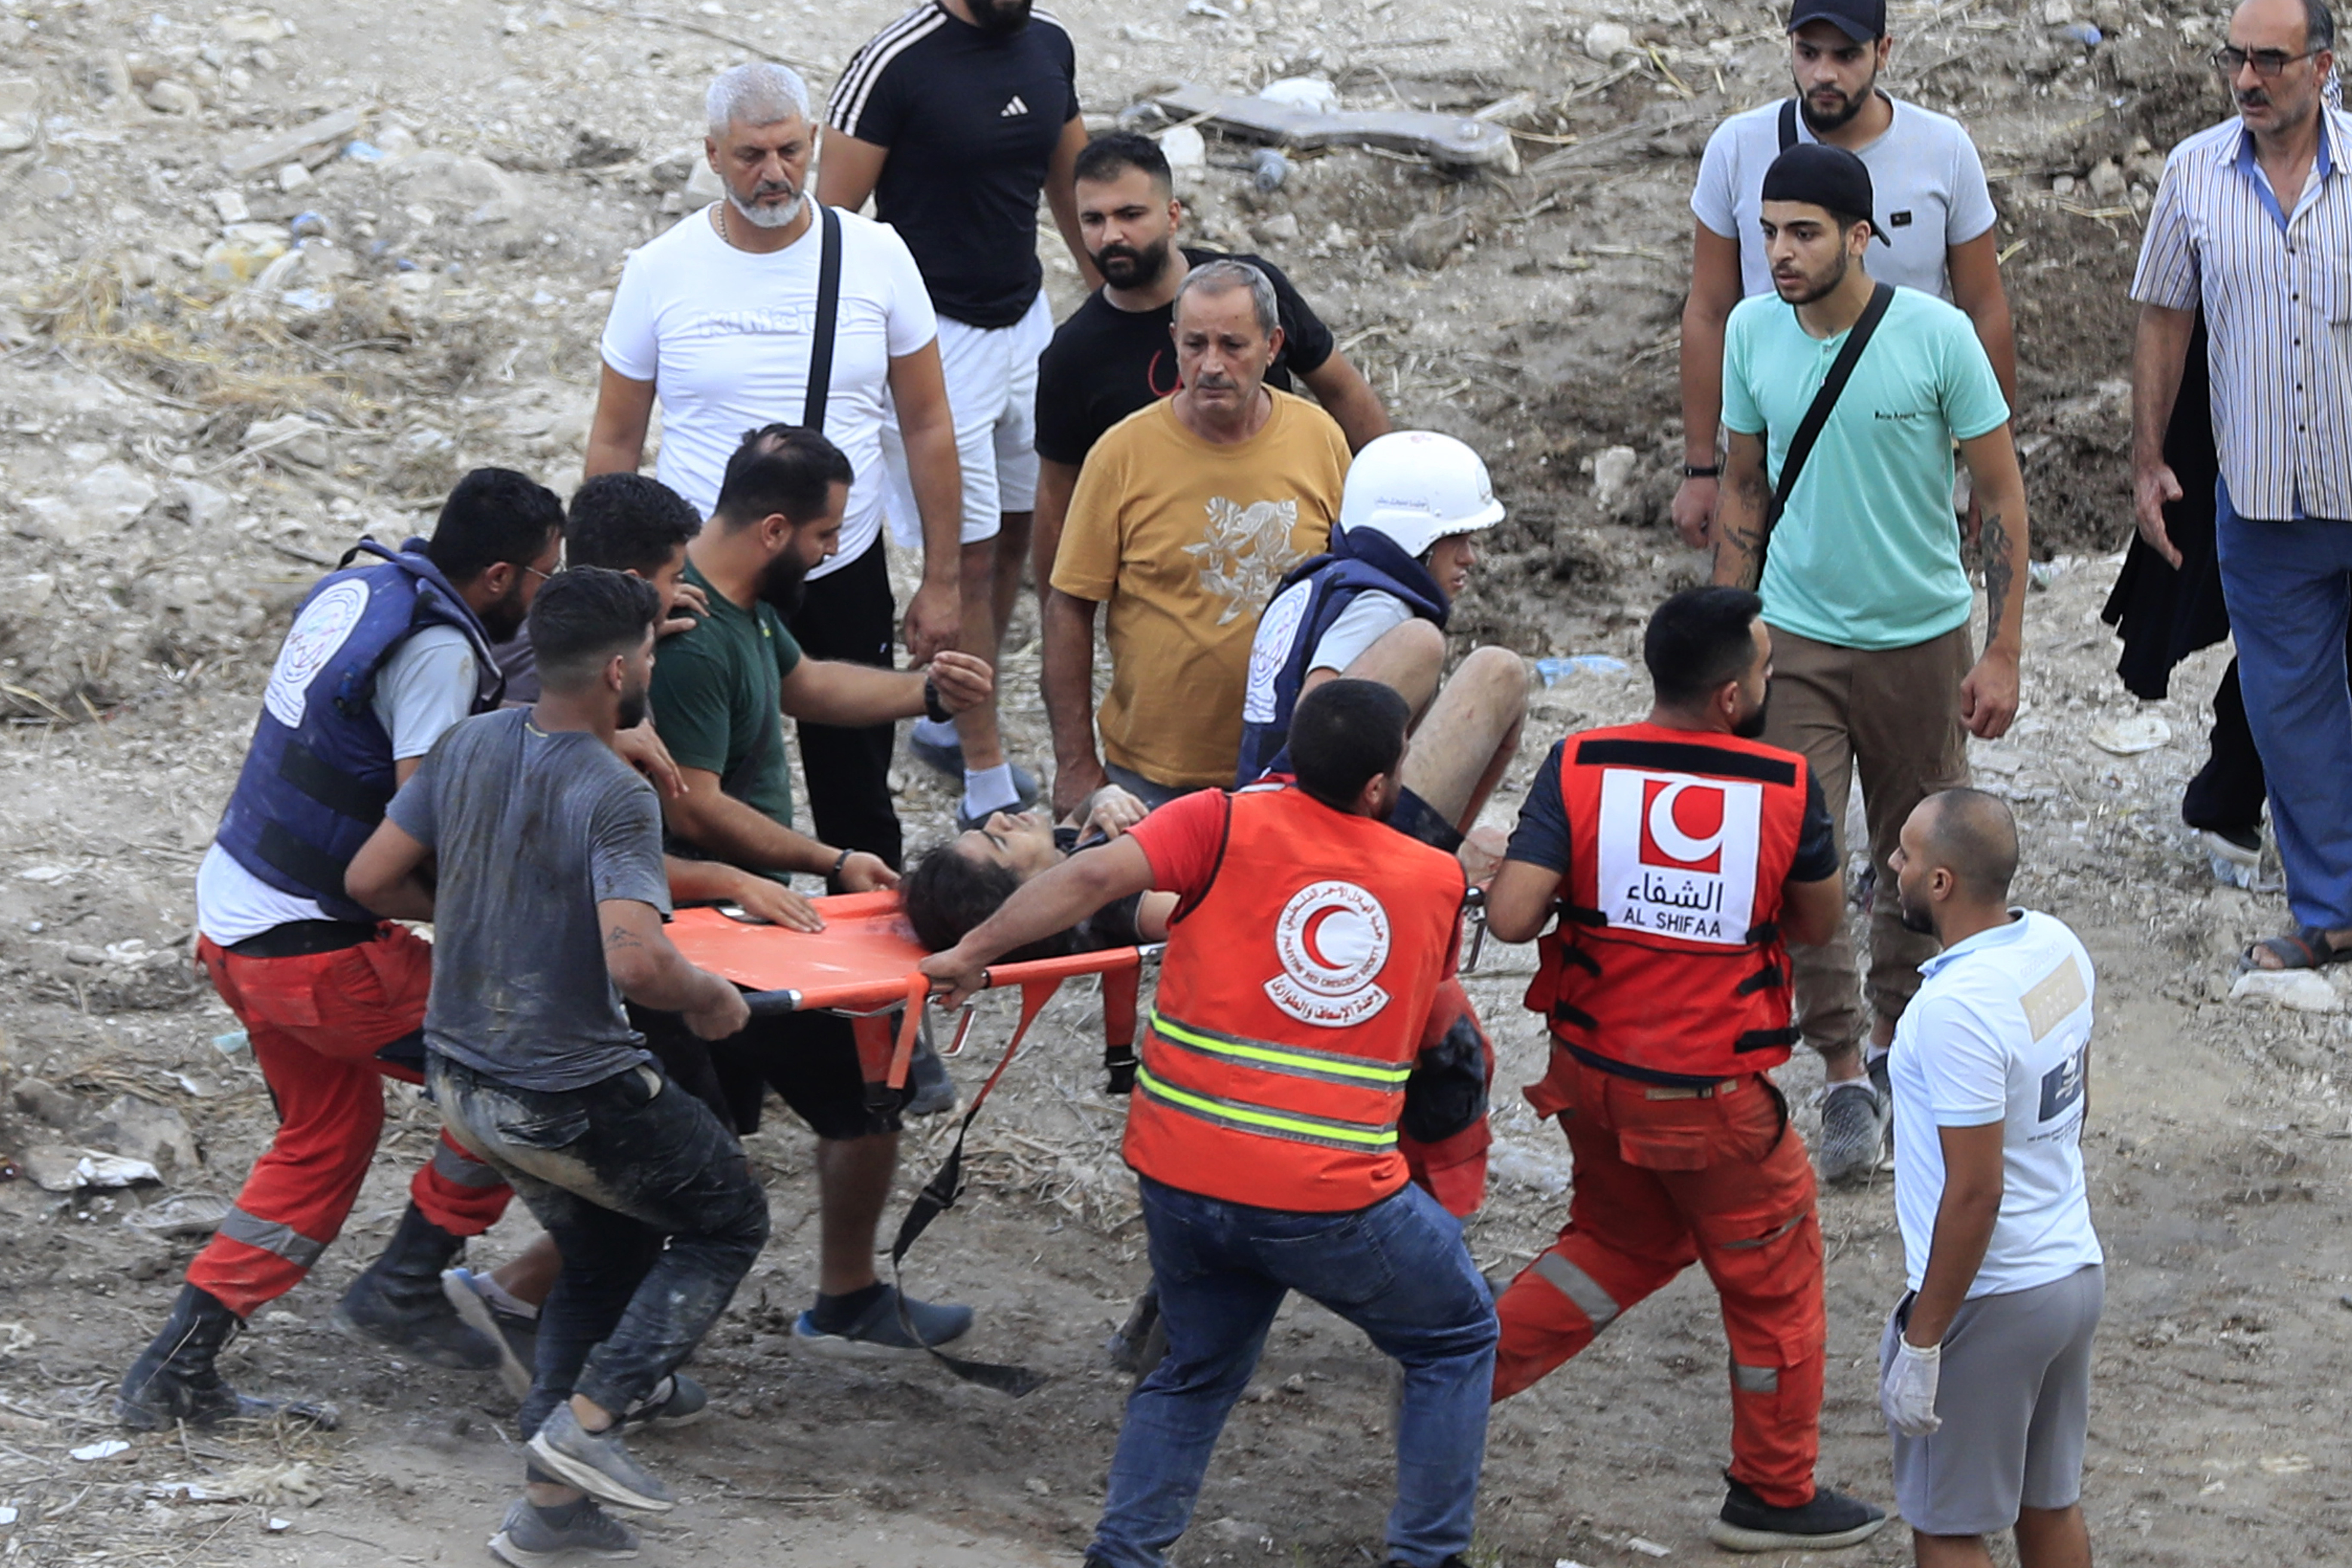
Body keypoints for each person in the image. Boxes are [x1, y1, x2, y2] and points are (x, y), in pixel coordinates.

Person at [921, 680, 1496, 1568]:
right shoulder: (1432, 881)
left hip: (1181, 1177)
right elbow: (1439, 1034)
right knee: (1456, 1334)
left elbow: (1092, 875)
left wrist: (968, 954)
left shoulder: (1219, 822)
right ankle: (1427, 1555)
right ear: (1383, 787)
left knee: (1195, 1371)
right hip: (1329, 1197)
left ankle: (1126, 1552)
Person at [115, 471, 567, 1430]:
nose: (544, 598)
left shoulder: (364, 588)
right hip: (315, 956)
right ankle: (411, 1279)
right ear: (497, 576)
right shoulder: (440, 653)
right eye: (543, 578)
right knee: (527, 1064)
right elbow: (426, 824)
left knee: (327, 1137)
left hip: (236, 918)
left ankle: (175, 1371)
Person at [344, 568, 765, 1565]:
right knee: (729, 1215)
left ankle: (551, 1511)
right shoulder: (613, 792)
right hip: (563, 1090)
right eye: (652, 655)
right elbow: (636, 960)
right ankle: (590, 1417)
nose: (653, 668)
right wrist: (711, 1000)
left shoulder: (466, 744)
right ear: (620, 669)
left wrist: (482, 917)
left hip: (462, 1076)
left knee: (609, 1250)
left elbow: (367, 879)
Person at [1482, 587, 1884, 1553]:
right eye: (1767, 670)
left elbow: (1508, 917)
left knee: (1619, 1244)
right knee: (1776, 1288)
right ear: (1734, 699)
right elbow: (1820, 926)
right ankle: (1773, 1495)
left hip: (1589, 1076)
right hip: (1710, 1102)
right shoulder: (1785, 787)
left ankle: (1455, 1374)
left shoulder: (1581, 763)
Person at [1711, 143, 2029, 1185]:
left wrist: (2001, 650)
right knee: (1793, 850)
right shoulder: (1751, 331)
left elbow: (2000, 498)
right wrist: (1729, 637)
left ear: (1859, 236)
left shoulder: (1935, 337)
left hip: (1919, 640)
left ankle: (1896, 1047)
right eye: (1766, 233)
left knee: (1917, 859)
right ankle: (1841, 1065)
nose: (1777, 254)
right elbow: (1742, 488)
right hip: (1792, 637)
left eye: (1800, 232)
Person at [643, 425, 995, 1354]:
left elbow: (809, 686)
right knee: (682, 1161)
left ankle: (846, 1294)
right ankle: (521, 1299)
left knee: (855, 1100)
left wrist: (925, 696)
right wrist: (829, 860)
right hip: (706, 929)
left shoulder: (746, 610)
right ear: (772, 528)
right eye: (826, 534)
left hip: (746, 916)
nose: (833, 550)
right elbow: (699, 807)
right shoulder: (693, 644)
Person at [588, 61, 962, 873]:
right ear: (713, 154)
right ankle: (720, 981)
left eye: (790, 151)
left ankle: (871, 989)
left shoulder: (877, 255)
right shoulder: (660, 269)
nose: (774, 174)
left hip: (839, 559)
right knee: (694, 795)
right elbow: (615, 440)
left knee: (858, 790)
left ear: (815, 143)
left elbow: (928, 424)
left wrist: (943, 578)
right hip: (701, 583)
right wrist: (611, 592)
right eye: (751, 156)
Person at [822, 0, 1093, 829]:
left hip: (1026, 321)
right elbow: (828, 227)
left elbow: (1069, 182)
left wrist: (1113, 297)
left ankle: (954, 716)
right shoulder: (894, 65)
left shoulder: (1048, 44)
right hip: (936, 337)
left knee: (1022, 533)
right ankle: (983, 773)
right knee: (963, 560)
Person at [2131, 0, 2352, 972]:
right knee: (2286, 712)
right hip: (2260, 497)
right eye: (2235, 59)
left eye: (2270, 59)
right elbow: (2161, 319)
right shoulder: (2191, 174)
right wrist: (2146, 461)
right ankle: (2332, 911)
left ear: (2323, 65)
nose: (2247, 78)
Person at [1675, 0, 2015, 551]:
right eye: (1808, 53)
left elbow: (1984, 308)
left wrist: (1993, 466)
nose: (1824, 74)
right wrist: (1700, 471)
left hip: (1901, 450)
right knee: (1760, 622)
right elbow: (1709, 310)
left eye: (1846, 55)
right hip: (1771, 451)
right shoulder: (1737, 148)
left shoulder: (1943, 150)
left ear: (1884, 51)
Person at [1880, 789, 2104, 1568]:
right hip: (2071, 1269)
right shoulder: (2055, 947)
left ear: (1940, 882)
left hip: (1994, 1296)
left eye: (1905, 855)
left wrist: (1924, 1339)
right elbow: (2073, 1095)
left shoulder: (1955, 1008)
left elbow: (1975, 1192)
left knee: (1946, 1523)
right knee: (2047, 1505)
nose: (1892, 865)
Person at [1044, 260, 1351, 815]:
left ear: (1274, 345)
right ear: (1173, 344)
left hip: (1293, 771)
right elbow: (1068, 607)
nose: (1212, 365)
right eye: (1195, 345)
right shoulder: (1121, 455)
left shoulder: (1320, 440)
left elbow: (1359, 593)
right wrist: (1075, 762)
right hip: (1152, 780)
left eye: (1233, 345)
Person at [1034, 131, 1389, 602]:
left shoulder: (1252, 292)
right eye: (1093, 220)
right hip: (1173, 590)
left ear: (1173, 215)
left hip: (1296, 566)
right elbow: (1057, 506)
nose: (1112, 235)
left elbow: (1342, 391)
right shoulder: (1073, 357)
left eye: (1131, 215)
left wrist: (1393, 501)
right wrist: (1060, 622)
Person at [1233, 430, 1525, 864]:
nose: (1470, 558)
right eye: (1457, 539)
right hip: (1301, 843)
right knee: (1500, 674)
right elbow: (1318, 719)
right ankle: (1417, 872)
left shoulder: (1325, 584)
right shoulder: (1383, 611)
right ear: (1414, 535)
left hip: (1259, 816)